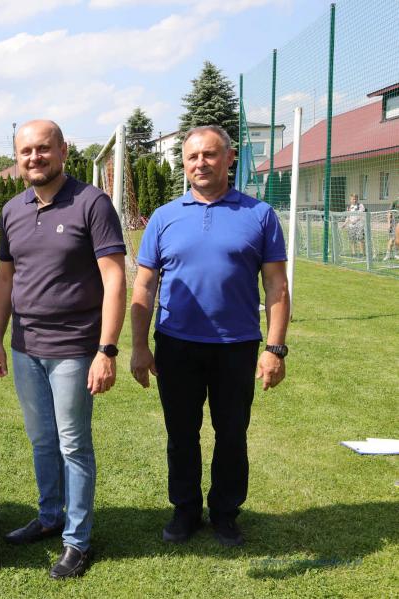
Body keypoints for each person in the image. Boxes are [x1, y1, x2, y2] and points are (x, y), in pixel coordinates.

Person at [130, 125, 290, 548]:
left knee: (232, 434)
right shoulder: (164, 217)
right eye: (192, 157)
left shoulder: (259, 215)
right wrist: (139, 346)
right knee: (181, 434)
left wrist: (274, 348)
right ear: (184, 164)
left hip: (236, 346)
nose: (200, 163)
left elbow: (276, 285)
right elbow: (144, 285)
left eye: (210, 154)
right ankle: (184, 510)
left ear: (229, 158)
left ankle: (224, 513)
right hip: (176, 344)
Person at [0, 120, 126, 579]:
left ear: (63, 150)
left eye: (43, 148)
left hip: (74, 348)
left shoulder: (92, 202)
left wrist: (106, 349)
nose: (35, 157)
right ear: (18, 158)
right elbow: (5, 278)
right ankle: (50, 516)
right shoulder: (12, 209)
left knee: (73, 444)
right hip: (25, 348)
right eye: (26, 151)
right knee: (42, 440)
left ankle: (77, 541)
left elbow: (113, 277)